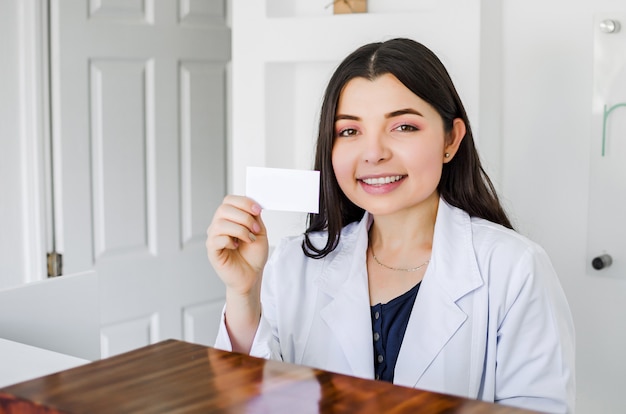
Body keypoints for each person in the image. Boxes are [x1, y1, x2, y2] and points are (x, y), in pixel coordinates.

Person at [206, 38, 575, 413]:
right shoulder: (292, 262)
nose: (374, 152)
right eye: (349, 131)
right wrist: (242, 294)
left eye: (403, 127)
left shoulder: (514, 267)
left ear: (451, 139)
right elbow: (251, 403)